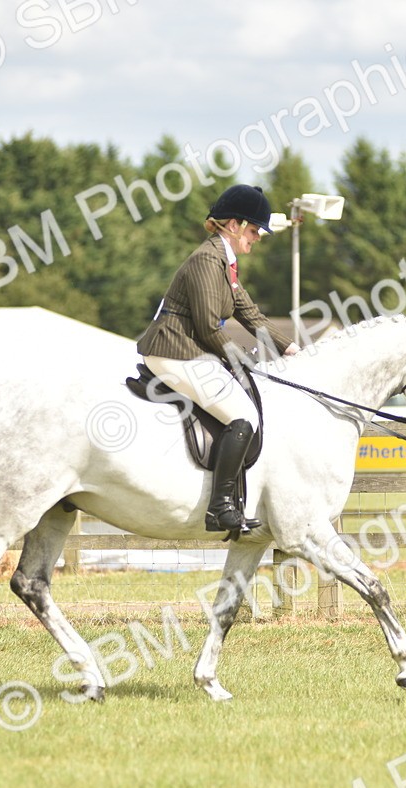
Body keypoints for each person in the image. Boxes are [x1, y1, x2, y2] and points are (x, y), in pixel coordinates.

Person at [136, 184, 299, 536]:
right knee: (243, 415)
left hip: (190, 350)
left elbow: (250, 313)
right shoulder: (208, 260)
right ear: (234, 225)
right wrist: (241, 360)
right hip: (172, 350)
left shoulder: (226, 262)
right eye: (254, 230)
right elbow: (210, 327)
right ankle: (220, 506)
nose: (256, 238)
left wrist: (291, 349)